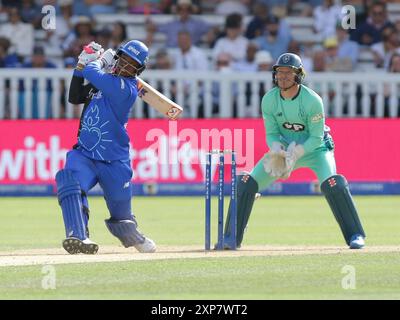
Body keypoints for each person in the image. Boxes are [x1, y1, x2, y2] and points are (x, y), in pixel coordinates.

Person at [222, 53, 366, 250]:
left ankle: (355, 235)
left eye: (288, 73)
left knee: (334, 183)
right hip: (284, 152)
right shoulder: (269, 99)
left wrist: (296, 153)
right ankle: (231, 237)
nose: (283, 76)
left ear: (298, 75)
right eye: (280, 72)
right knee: (246, 183)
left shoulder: (312, 101)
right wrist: (276, 148)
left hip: (316, 150)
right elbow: (271, 133)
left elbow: (315, 138)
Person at [56, 40, 156, 254]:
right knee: (69, 181)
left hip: (115, 162)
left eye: (132, 64)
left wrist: (95, 61)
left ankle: (133, 236)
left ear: (138, 70)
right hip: (85, 154)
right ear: (118, 57)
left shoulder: (126, 89)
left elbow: (93, 73)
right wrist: (79, 67)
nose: (125, 66)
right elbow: (75, 97)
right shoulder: (105, 81)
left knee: (122, 220)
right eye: (124, 59)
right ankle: (78, 236)